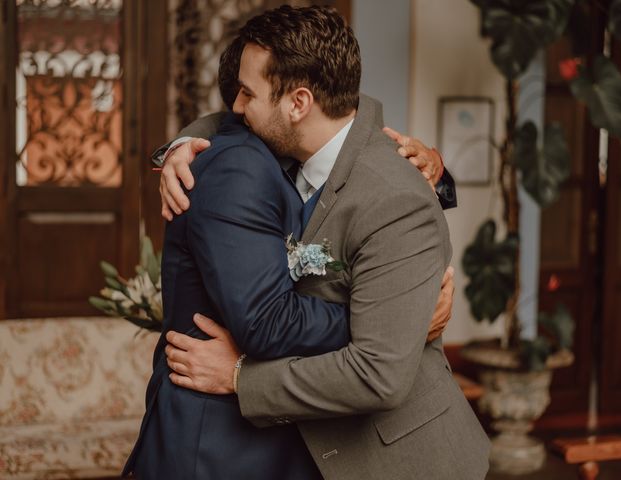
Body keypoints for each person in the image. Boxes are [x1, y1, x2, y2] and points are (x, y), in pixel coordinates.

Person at [155, 5, 490, 480]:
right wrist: (177, 149)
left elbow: (377, 374)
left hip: (394, 458)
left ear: (299, 102)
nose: (236, 106)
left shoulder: (394, 199)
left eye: (247, 92)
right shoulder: (294, 140)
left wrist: (239, 377)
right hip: (303, 447)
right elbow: (223, 124)